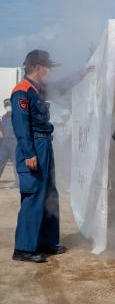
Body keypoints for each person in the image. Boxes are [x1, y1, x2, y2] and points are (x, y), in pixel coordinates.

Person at [11, 49, 93, 263]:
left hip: (44, 143)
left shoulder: (38, 89)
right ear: (39, 67)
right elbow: (20, 126)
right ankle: (24, 248)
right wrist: (29, 153)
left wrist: (81, 74)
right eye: (47, 67)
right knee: (34, 195)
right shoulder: (23, 90)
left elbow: (59, 88)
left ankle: (46, 242)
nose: (49, 71)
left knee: (49, 194)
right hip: (34, 145)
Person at [0, 99, 18, 188]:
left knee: (16, 163)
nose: (8, 107)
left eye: (9, 105)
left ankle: (17, 184)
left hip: (14, 142)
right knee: (0, 161)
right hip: (4, 143)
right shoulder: (3, 117)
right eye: (6, 105)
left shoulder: (17, 116)